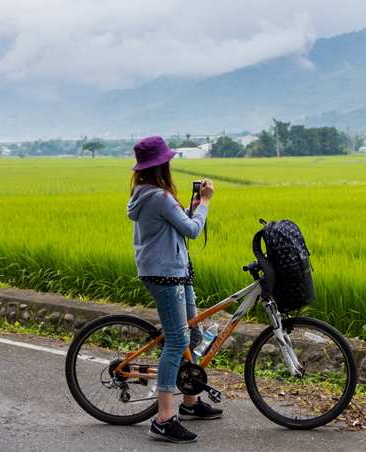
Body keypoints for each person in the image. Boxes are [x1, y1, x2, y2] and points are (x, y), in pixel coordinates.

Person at [126, 136, 222, 443]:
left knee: (192, 333)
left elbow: (179, 225)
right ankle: (163, 420)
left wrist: (192, 208)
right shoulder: (160, 197)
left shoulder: (145, 193)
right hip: (165, 274)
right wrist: (204, 204)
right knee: (178, 338)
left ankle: (190, 401)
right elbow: (193, 231)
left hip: (174, 272)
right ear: (161, 166)